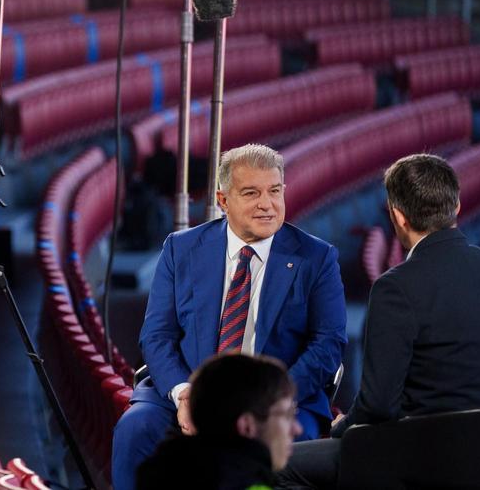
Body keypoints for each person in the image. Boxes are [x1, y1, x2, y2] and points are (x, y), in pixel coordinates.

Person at [110, 144, 346, 490]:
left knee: (289, 452)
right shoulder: (181, 248)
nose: (267, 204)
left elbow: (328, 345)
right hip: (190, 388)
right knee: (135, 429)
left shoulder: (316, 257)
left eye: (275, 191)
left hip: (278, 403)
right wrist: (184, 395)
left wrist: (272, 401)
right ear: (223, 200)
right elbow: (157, 336)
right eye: (252, 193)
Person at [277, 153, 480, 489]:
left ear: (397, 216)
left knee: (275, 465)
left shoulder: (395, 288)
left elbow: (378, 404)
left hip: (416, 457)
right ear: (456, 207)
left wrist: (341, 426)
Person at [137, 354, 301, 490]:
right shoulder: (251, 485)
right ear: (247, 426)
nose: (297, 429)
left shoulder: (158, 472)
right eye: (286, 415)